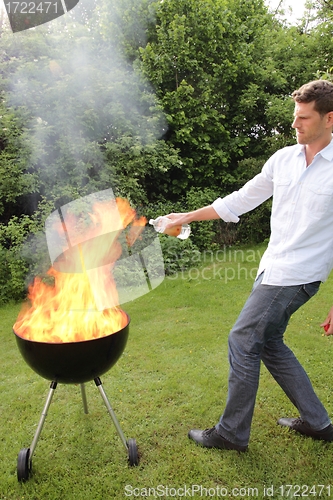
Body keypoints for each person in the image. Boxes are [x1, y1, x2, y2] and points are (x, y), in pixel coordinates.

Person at [164, 80, 333, 452]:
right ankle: (320, 423)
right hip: (272, 268)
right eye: (294, 117)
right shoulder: (284, 159)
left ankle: (231, 433)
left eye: (304, 118)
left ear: (329, 118)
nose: (295, 125)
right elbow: (240, 200)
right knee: (269, 342)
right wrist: (188, 215)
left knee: (243, 337)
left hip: (299, 275)